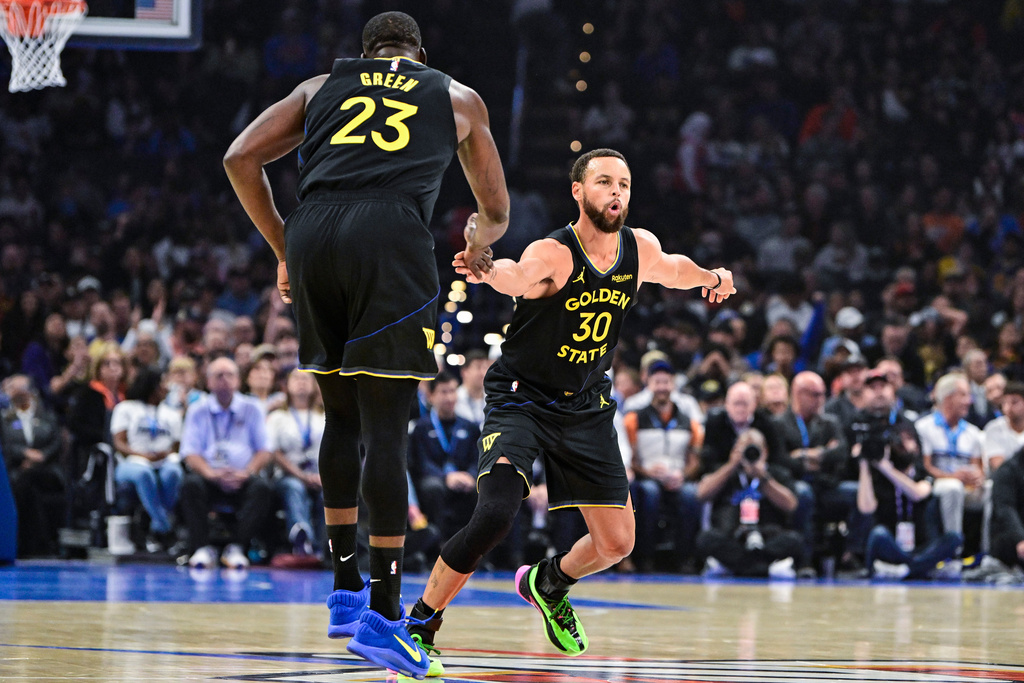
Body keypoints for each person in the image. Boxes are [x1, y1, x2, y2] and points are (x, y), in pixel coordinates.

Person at [223, 11, 509, 678]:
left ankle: (346, 588)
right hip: (390, 238)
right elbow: (494, 209)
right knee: (387, 428)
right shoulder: (455, 95)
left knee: (340, 416)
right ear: (419, 52)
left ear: (365, 55)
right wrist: (475, 242)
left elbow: (239, 156)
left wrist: (282, 248)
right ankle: (384, 617)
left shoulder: (318, 87)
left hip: (314, 233)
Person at [404, 149, 735, 666]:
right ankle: (420, 623)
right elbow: (520, 275)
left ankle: (548, 583)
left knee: (617, 543)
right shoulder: (556, 252)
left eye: (624, 183)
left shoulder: (637, 248)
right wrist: (487, 269)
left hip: (585, 405)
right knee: (495, 513)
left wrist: (714, 277)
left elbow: (674, 270)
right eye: (605, 182)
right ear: (578, 191)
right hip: (522, 399)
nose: (617, 192)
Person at [178, 357, 275, 570]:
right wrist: (210, 473)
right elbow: (189, 452)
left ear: (238, 381)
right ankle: (201, 547)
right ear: (209, 382)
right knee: (190, 484)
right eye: (218, 375)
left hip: (243, 477)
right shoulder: (198, 409)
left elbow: (265, 450)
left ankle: (238, 547)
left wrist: (247, 472)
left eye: (229, 375)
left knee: (263, 488)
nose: (224, 380)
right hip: (210, 477)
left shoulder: (253, 408)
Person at [624, 359, 703, 572]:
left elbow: (695, 460)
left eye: (666, 382)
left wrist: (683, 475)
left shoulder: (689, 422)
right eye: (657, 382)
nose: (662, 387)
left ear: (673, 385)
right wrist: (646, 472)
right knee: (649, 493)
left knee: (690, 494)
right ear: (648, 384)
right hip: (646, 476)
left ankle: (685, 558)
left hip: (677, 476)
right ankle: (645, 557)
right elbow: (629, 458)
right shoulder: (634, 419)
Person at [110, 367, 184, 553]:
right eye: (163, 383)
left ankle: (156, 528)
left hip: (162, 461)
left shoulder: (172, 413)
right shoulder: (126, 408)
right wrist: (141, 455)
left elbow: (176, 445)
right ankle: (164, 527)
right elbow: (119, 443)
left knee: (173, 472)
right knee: (144, 473)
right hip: (130, 463)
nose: (167, 388)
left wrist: (164, 454)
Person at [407, 371, 480, 539]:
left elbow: (477, 459)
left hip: (464, 478)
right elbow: (422, 463)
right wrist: (446, 477)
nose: (449, 397)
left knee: (480, 488)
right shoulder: (421, 428)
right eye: (444, 392)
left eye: (453, 391)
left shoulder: (470, 427)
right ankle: (437, 546)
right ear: (431, 396)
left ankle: (476, 549)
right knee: (433, 488)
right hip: (436, 479)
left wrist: (471, 475)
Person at [0, 375, 64, 557]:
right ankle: (40, 545)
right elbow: (5, 446)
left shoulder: (46, 415)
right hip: (18, 468)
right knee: (27, 487)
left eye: (18, 390)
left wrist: (42, 456)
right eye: (11, 391)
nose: (13, 394)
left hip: (47, 469)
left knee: (27, 481)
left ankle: (27, 544)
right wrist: (24, 454)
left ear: (29, 392)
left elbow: (56, 442)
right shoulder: (4, 418)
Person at [266, 368, 325, 557]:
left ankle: (326, 547)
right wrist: (301, 476)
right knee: (294, 488)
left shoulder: (325, 415)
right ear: (287, 386)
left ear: (314, 385)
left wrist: (323, 477)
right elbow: (274, 452)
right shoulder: (277, 417)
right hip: (288, 474)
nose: (301, 382)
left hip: (321, 475)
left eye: (306, 379)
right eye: (297, 379)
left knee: (330, 494)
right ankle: (302, 538)